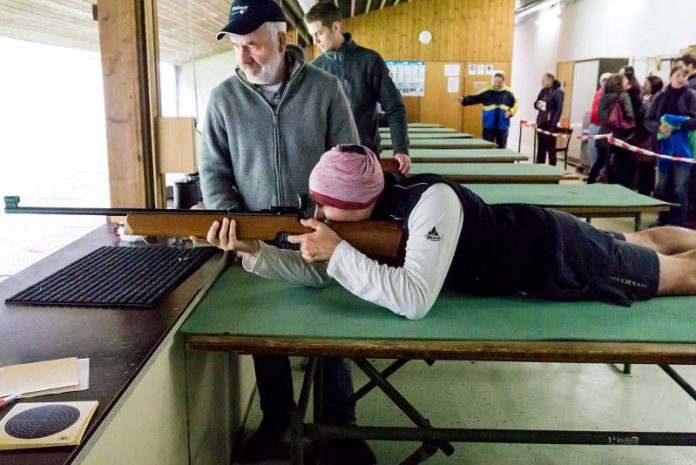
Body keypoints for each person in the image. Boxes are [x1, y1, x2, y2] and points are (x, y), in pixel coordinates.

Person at [204, 144, 696, 323]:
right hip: (537, 227)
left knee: (673, 274)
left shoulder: (430, 201)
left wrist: (335, 251)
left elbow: (415, 300)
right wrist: (253, 252)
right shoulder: (360, 217)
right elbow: (320, 272)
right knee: (648, 240)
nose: (318, 213)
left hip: (554, 254)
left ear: (360, 205)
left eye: (327, 206)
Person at [200, 1, 374, 463]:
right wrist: (232, 226)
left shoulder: (326, 89)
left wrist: (333, 227)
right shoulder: (222, 100)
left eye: (252, 44)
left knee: (334, 334)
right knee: (266, 336)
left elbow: (352, 164)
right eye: (237, 47)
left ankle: (340, 429)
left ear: (281, 39)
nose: (244, 57)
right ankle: (277, 421)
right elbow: (214, 176)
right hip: (255, 241)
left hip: (321, 234)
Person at [304, 1, 410, 175]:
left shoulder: (370, 61)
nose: (314, 41)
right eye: (312, 35)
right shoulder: (314, 69)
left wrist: (400, 148)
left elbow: (395, 107)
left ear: (336, 27)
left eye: (319, 33)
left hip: (366, 157)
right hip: (329, 162)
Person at [645, 65, 696, 227]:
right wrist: (659, 127)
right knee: (663, 185)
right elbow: (648, 120)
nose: (681, 79)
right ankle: (662, 219)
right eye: (678, 75)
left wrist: (678, 125)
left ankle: (677, 223)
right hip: (664, 147)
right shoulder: (660, 97)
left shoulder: (692, 96)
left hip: (685, 149)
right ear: (671, 76)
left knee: (680, 188)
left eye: (685, 76)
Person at [587, 74, 634, 184]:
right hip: (618, 136)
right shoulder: (623, 95)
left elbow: (601, 116)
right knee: (618, 164)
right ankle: (614, 186)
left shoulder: (603, 97)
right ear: (619, 83)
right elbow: (629, 113)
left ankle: (590, 181)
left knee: (600, 161)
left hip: (603, 134)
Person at [457, 72, 518, 148]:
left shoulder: (509, 93)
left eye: (499, 82)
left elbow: (516, 104)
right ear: (493, 81)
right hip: (488, 126)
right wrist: (464, 99)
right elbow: (475, 98)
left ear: (503, 81)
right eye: (495, 82)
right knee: (487, 148)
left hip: (503, 126)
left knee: (502, 149)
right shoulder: (486, 91)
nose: (497, 84)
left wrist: (511, 112)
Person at [634, 75, 664, 195]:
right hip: (645, 138)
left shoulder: (657, 99)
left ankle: (645, 192)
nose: (643, 86)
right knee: (644, 167)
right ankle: (644, 190)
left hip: (650, 138)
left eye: (646, 84)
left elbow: (649, 118)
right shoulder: (647, 98)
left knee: (647, 166)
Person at [533, 73, 564, 165]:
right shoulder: (543, 91)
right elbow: (536, 104)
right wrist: (539, 104)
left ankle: (552, 171)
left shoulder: (558, 92)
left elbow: (559, 109)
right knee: (541, 149)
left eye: (544, 79)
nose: (542, 81)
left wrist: (553, 125)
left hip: (550, 126)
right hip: (541, 123)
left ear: (550, 81)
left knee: (551, 150)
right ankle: (539, 170)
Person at [587, 72, 612, 175]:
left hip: (603, 127)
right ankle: (594, 171)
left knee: (601, 152)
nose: (605, 83)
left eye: (607, 81)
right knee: (591, 149)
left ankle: (600, 174)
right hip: (593, 125)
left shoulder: (610, 95)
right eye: (604, 81)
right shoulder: (598, 93)